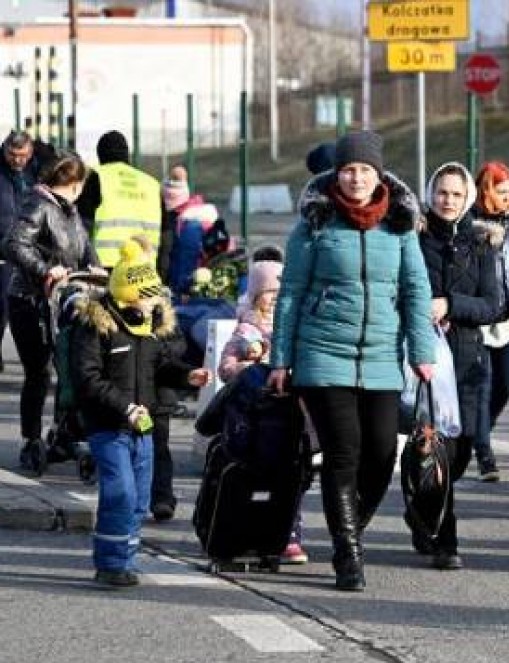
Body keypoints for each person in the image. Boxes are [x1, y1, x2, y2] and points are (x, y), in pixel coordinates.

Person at [268, 130, 434, 592]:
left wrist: (421, 351)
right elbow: (291, 294)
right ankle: (348, 555)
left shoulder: (400, 225)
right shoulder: (314, 224)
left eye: (364, 170)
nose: (356, 178)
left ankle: (349, 529)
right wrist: (281, 358)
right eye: (348, 170)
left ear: (378, 175)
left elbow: (415, 289)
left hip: (382, 355)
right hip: (322, 355)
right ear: (335, 175)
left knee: (382, 453)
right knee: (344, 452)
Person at [69, 239, 210, 587]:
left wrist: (185, 374)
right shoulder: (97, 327)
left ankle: (126, 558)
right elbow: (87, 378)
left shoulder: (148, 330)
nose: (152, 305)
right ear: (128, 298)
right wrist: (123, 407)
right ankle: (110, 565)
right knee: (121, 493)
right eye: (147, 298)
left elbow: (160, 365)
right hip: (109, 426)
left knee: (140, 499)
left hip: (142, 427)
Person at [414, 162, 502, 568]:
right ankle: (445, 538)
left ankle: (420, 508)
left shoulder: (481, 243)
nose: (447, 201)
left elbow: (493, 304)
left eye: (455, 193)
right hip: (426, 360)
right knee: (437, 449)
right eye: (441, 192)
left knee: (462, 449)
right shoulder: (413, 238)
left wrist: (451, 305)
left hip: (468, 361)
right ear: (430, 194)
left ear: (467, 196)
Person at [2, 149, 100, 471]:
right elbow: (14, 244)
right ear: (74, 182)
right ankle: (32, 438)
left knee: (69, 368)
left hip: (64, 300)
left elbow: (85, 249)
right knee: (38, 372)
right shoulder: (38, 204)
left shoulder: (70, 212)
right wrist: (46, 269)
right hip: (29, 300)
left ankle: (64, 433)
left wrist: (98, 272)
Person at [218, 259, 310, 564]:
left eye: (280, 292)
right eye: (269, 292)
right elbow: (226, 368)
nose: (275, 298)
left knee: (291, 475)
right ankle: (247, 532)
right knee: (252, 475)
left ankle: (287, 535)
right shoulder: (246, 328)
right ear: (256, 295)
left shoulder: (295, 325)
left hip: (287, 413)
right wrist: (249, 365)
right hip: (253, 419)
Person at [471, 160, 509, 481]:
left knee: (505, 385)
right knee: (481, 386)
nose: (507, 198)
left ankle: (482, 429)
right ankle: (484, 454)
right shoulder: (469, 223)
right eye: (501, 191)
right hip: (479, 319)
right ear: (486, 191)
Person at [76, 130, 162, 268]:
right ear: (127, 154)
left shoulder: (95, 177)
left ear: (100, 155)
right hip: (145, 267)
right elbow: (167, 233)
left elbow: (81, 226)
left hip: (104, 266)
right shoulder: (152, 184)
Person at [0, 131, 39, 373]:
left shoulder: (37, 173)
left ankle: (35, 360)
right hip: (3, 252)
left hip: (30, 251)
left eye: (22, 155)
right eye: (12, 155)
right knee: (1, 308)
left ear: (30, 152)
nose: (17, 160)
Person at [158, 164, 220, 300]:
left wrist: (178, 291)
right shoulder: (202, 215)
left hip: (185, 291)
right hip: (208, 286)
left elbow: (183, 266)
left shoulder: (187, 226)